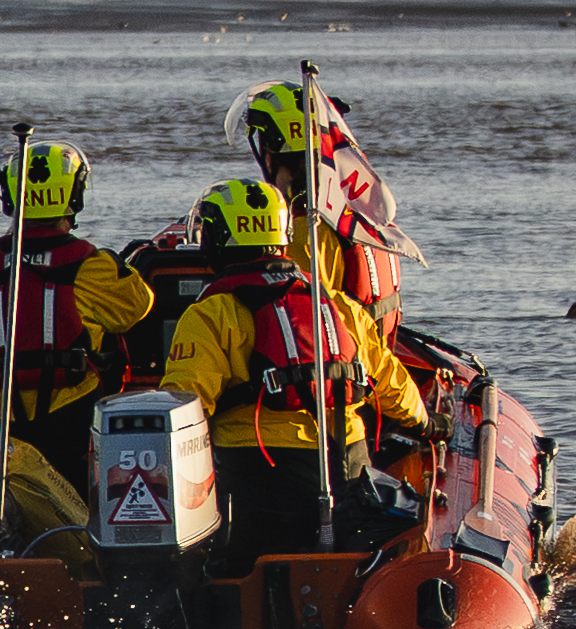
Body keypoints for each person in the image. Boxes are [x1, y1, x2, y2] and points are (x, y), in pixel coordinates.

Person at [158, 174, 424, 555]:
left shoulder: (212, 313)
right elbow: (390, 380)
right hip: (348, 460)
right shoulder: (335, 304)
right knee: (350, 556)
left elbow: (185, 405)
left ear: (217, 239)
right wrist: (428, 424)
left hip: (262, 468)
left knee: (249, 561)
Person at [0, 140, 149, 540]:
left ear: (10, 198)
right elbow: (138, 308)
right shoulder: (95, 269)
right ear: (74, 197)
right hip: (74, 424)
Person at [234, 76, 409, 333]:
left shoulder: (308, 230)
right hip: (370, 352)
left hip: (332, 362)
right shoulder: (361, 212)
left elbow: (299, 318)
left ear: (269, 154)